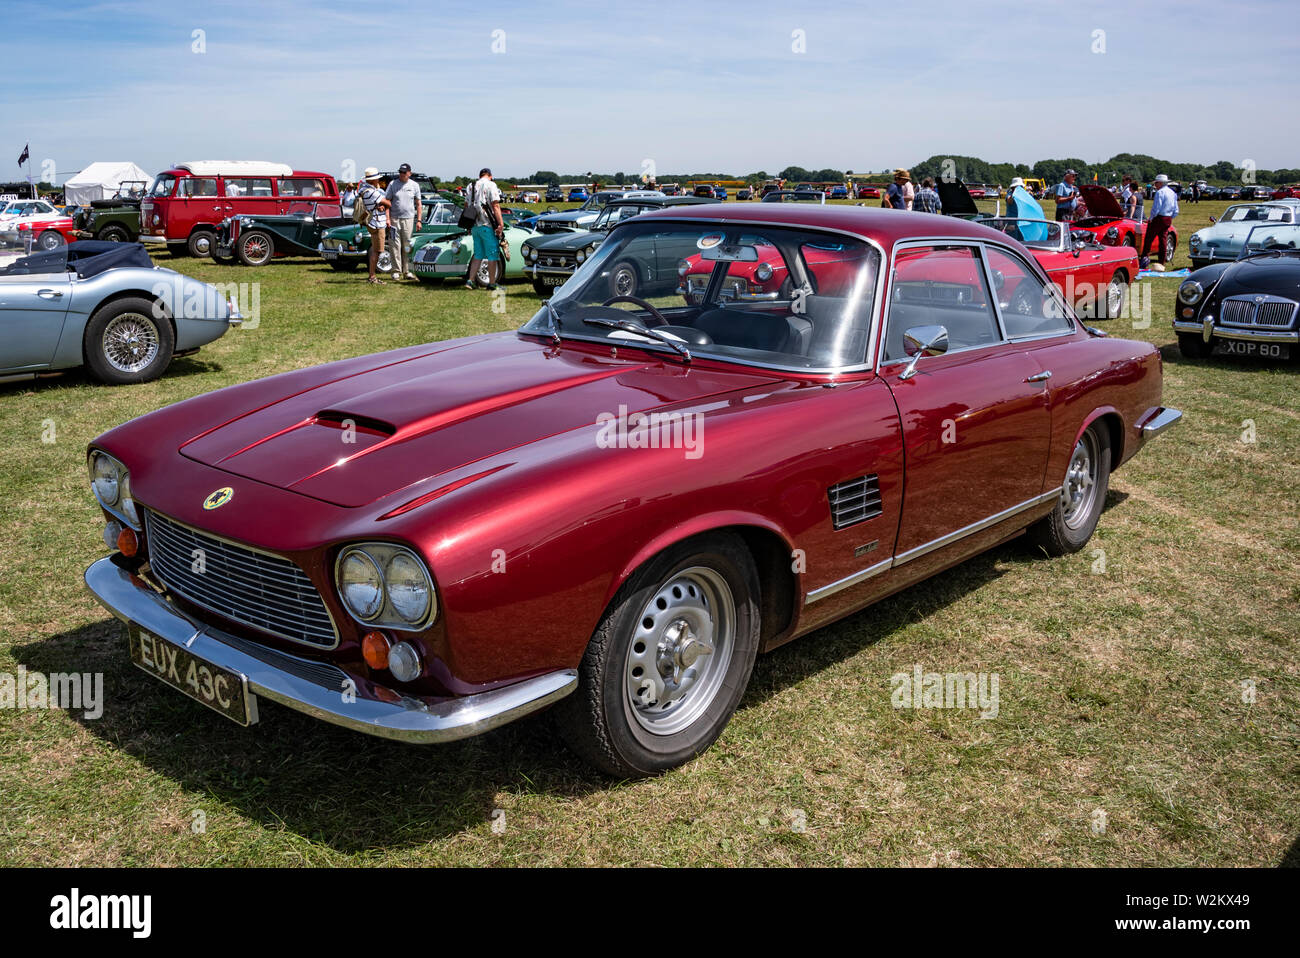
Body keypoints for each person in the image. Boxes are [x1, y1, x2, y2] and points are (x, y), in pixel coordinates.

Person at [465, 166, 504, 290]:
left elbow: (466, 205)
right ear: (490, 176)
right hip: (487, 225)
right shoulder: (491, 185)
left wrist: (468, 225)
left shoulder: (470, 186)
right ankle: (492, 283)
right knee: (492, 254)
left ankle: (470, 281)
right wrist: (501, 224)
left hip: (475, 225)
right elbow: (496, 205)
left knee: (478, 254)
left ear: (480, 176)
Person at [385, 163, 422, 280]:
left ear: (409, 173)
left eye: (404, 172)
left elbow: (419, 204)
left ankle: (407, 271)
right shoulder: (393, 184)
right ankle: (396, 271)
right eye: (400, 172)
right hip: (394, 219)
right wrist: (387, 219)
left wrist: (419, 220)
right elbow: (387, 202)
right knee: (394, 245)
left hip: (409, 219)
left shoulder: (415, 185)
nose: (401, 174)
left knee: (407, 245)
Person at [356, 167, 392, 285]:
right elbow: (388, 203)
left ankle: (372, 275)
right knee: (377, 251)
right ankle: (372, 276)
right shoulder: (373, 192)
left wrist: (380, 206)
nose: (378, 181)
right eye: (377, 179)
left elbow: (376, 205)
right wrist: (384, 204)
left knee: (376, 250)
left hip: (371, 222)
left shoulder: (363, 190)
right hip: (377, 223)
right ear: (373, 181)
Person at [1140, 173, 1179, 271]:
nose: (1155, 185)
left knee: (1149, 238)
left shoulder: (1160, 193)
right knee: (1163, 240)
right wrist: (1170, 216)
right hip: (1168, 218)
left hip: (1159, 218)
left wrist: (1151, 218)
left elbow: (1156, 207)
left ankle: (1144, 260)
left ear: (1160, 183)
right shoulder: (1172, 193)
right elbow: (1176, 209)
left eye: (1156, 183)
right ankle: (1162, 262)